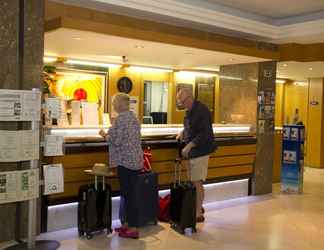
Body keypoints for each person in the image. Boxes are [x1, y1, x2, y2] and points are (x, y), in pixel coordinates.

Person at [99, 93, 143, 239]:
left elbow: (116, 140)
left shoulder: (120, 119)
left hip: (125, 162)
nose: (113, 106)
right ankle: (127, 224)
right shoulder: (133, 117)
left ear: (121, 104)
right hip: (135, 161)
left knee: (129, 196)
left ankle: (133, 227)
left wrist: (105, 135)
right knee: (130, 194)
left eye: (114, 103)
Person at [176, 88, 216, 223]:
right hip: (192, 152)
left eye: (182, 102)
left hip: (201, 151)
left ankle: (198, 213)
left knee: (197, 181)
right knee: (193, 180)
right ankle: (198, 206)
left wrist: (190, 145)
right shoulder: (189, 110)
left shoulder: (202, 110)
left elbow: (205, 133)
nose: (181, 104)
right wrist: (183, 132)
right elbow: (192, 126)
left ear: (189, 98)